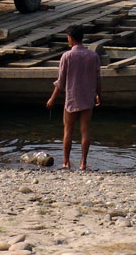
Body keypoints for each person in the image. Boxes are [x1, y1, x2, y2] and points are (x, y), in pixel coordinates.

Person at [46, 25, 101, 170]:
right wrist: (98, 95)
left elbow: (60, 82)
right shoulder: (93, 56)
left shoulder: (67, 56)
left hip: (72, 98)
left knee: (68, 130)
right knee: (85, 130)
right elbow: (98, 79)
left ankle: (66, 162)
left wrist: (52, 99)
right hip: (88, 98)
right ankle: (83, 163)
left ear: (70, 38)